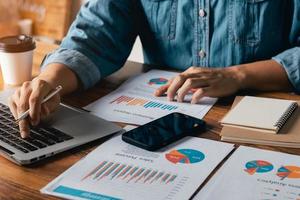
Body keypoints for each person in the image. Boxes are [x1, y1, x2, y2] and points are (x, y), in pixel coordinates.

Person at [9, 0, 300, 138]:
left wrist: (237, 75)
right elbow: (96, 35)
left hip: (265, 127)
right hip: (161, 123)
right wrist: (49, 82)